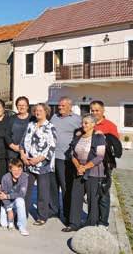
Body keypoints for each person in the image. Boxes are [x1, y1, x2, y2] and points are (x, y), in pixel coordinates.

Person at [62, 114, 106, 232]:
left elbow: (100, 156)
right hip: (78, 170)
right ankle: (73, 223)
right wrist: (78, 166)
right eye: (83, 122)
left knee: (92, 199)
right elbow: (72, 153)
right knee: (75, 196)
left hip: (93, 172)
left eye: (86, 123)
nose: (83, 125)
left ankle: (90, 225)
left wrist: (85, 167)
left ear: (93, 124)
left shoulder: (99, 137)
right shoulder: (78, 136)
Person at [20, 103, 57, 226]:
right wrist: (23, 155)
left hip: (43, 165)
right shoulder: (30, 125)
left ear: (46, 112)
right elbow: (22, 142)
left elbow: (52, 146)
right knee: (25, 190)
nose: (37, 112)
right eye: (36, 110)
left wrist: (38, 159)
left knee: (43, 192)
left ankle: (42, 216)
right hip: (28, 163)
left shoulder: (50, 127)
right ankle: (22, 214)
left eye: (40, 110)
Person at [50, 96, 81, 225]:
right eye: (59, 105)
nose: (59, 107)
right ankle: (53, 211)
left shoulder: (77, 119)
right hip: (52, 157)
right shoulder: (54, 117)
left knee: (65, 187)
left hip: (66, 159)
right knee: (53, 186)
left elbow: (84, 132)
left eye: (62, 106)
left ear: (70, 106)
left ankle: (68, 215)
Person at [90, 100, 120, 229]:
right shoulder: (88, 123)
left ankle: (103, 222)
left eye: (97, 110)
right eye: (92, 110)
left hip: (104, 166)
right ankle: (93, 218)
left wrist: (105, 137)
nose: (94, 112)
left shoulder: (110, 125)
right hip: (90, 165)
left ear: (103, 111)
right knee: (92, 194)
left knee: (103, 193)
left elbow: (116, 148)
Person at [0, 158, 30, 236]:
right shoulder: (5, 178)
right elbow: (2, 196)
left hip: (16, 202)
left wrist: (8, 196)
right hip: (7, 202)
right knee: (4, 224)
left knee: (20, 200)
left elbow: (22, 194)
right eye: (14, 170)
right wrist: (8, 209)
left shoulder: (24, 177)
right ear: (10, 169)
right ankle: (6, 210)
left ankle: (22, 227)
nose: (17, 172)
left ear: (22, 169)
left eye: (19, 169)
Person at [6, 96, 35, 162]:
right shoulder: (11, 119)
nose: (21, 107)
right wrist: (12, 146)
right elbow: (6, 134)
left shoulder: (33, 119)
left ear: (27, 106)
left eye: (24, 105)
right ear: (16, 106)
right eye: (19, 105)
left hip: (28, 152)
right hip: (13, 152)